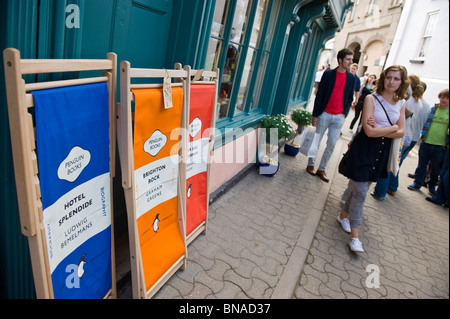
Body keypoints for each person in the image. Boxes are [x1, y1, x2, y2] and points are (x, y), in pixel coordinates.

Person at [337, 65, 408, 252]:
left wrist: (384, 130)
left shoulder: (401, 103)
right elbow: (369, 131)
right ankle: (355, 237)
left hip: (381, 151)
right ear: (384, 78)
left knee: (361, 187)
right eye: (389, 77)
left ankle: (343, 215)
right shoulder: (371, 98)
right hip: (365, 148)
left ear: (402, 82)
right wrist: (391, 128)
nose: (392, 82)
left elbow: (402, 132)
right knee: (360, 193)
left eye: (396, 79)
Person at [371, 75, 425, 200]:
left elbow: (398, 126)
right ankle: (393, 187)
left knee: (388, 164)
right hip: (411, 137)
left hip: (398, 137)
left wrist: (380, 131)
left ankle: (380, 192)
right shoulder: (420, 103)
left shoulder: (402, 101)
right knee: (395, 163)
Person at [306, 48, 356, 182]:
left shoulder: (351, 78)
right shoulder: (328, 74)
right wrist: (315, 115)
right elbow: (320, 95)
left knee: (332, 144)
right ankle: (310, 164)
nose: (351, 62)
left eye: (352, 59)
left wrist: (344, 114)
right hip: (324, 114)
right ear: (340, 60)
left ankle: (321, 169)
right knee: (317, 140)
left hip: (338, 117)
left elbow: (350, 98)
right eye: (348, 59)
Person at [408, 89, 449, 194]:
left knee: (435, 169)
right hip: (427, 142)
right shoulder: (433, 109)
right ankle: (417, 183)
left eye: (447, 98)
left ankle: (431, 186)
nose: (444, 100)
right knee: (422, 165)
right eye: (443, 97)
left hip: (440, 145)